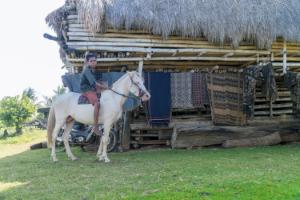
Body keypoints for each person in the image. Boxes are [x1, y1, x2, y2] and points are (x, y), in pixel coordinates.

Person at [80, 53, 108, 135]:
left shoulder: (94, 71)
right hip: (86, 89)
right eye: (91, 61)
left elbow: (99, 82)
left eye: (94, 60)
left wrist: (105, 87)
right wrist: (106, 87)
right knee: (97, 104)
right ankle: (95, 127)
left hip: (93, 89)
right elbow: (94, 83)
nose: (93, 62)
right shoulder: (87, 70)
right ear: (88, 62)